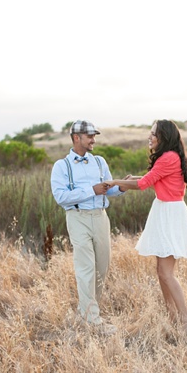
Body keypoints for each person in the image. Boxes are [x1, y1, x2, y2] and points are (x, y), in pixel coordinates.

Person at [105, 120, 187, 336]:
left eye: (152, 134)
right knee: (161, 272)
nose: (149, 137)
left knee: (167, 273)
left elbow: (143, 185)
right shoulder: (168, 157)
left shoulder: (168, 157)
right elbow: (151, 180)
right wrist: (128, 180)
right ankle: (173, 319)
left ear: (163, 137)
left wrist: (115, 182)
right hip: (164, 212)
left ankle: (186, 320)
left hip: (169, 214)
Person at [51, 120, 126, 334]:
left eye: (94, 136)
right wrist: (91, 190)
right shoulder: (61, 166)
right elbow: (61, 197)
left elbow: (108, 190)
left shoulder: (100, 162)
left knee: (101, 268)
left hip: (101, 218)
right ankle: (92, 321)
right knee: (86, 268)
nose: (94, 140)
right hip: (78, 218)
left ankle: (86, 312)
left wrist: (121, 186)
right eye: (90, 136)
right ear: (77, 138)